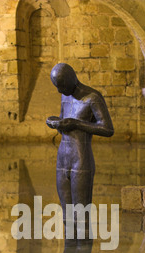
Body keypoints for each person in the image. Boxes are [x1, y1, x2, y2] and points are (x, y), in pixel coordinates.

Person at [46, 63, 114, 242]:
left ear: (72, 79)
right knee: (67, 217)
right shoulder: (65, 96)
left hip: (80, 160)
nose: (60, 91)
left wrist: (76, 124)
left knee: (81, 216)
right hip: (63, 159)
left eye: (62, 86)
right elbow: (64, 122)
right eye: (57, 87)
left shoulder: (92, 98)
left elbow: (108, 129)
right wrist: (56, 123)